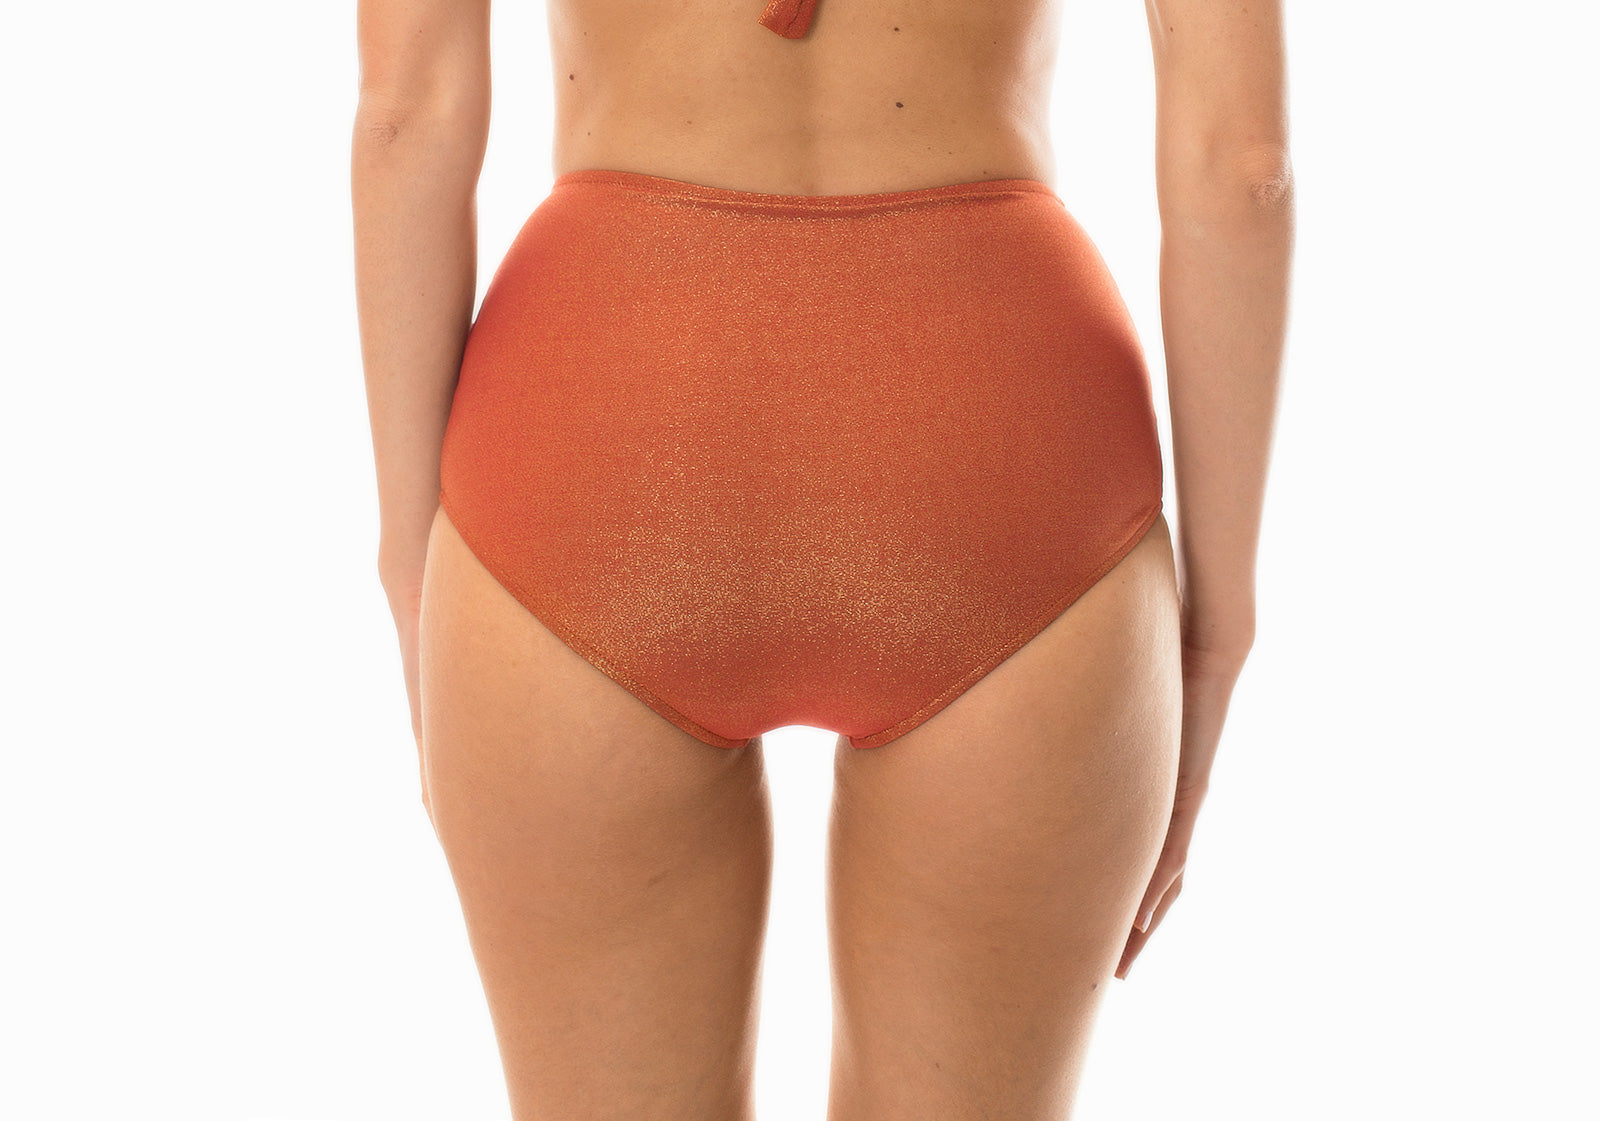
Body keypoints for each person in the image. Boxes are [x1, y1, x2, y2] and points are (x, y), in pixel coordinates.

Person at [351, 0, 1293, 1116]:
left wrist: (413, 571)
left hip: (602, 413)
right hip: (999, 421)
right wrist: (1215, 634)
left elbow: (407, 117)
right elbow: (1243, 168)